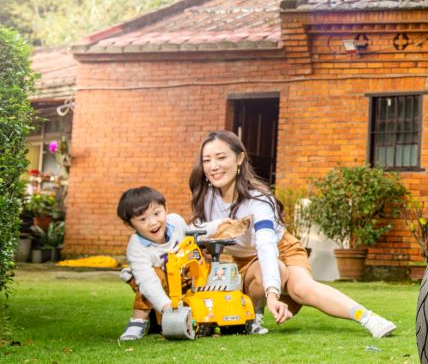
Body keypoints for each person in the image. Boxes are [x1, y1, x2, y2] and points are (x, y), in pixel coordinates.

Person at [189, 130, 396, 338]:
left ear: (239, 158)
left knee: (302, 289)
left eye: (221, 157)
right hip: (245, 263)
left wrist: (272, 295)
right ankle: (252, 318)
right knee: (268, 272)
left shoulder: (258, 200)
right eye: (207, 160)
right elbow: (193, 234)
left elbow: (266, 246)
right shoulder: (205, 198)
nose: (213, 166)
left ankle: (369, 318)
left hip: (282, 249)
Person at [116, 186, 237, 341]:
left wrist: (217, 225)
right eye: (142, 219)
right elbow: (148, 283)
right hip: (152, 279)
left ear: (165, 208)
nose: (153, 222)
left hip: (180, 276)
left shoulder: (175, 222)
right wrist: (167, 306)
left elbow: (192, 232)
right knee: (153, 279)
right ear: (130, 225)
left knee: (199, 264)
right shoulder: (137, 247)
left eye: (157, 213)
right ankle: (138, 321)